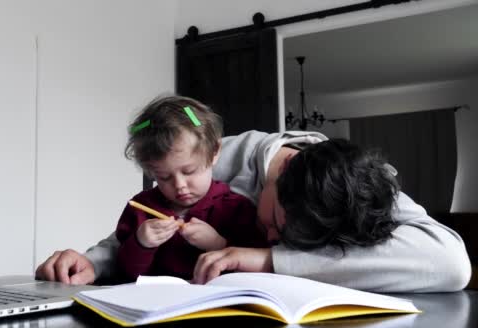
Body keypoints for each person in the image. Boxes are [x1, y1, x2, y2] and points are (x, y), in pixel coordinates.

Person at [35, 99, 472, 292]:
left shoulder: (356, 183)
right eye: (276, 226)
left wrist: (266, 259)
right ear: (282, 174)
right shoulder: (208, 160)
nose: (274, 237)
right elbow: (149, 215)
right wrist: (95, 260)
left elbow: (449, 263)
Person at [113, 96, 267, 281]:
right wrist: (141, 244)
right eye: (164, 177)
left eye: (189, 171)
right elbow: (124, 273)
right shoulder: (141, 208)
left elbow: (255, 269)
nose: (179, 185)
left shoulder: (236, 208)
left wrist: (218, 244)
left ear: (214, 153)